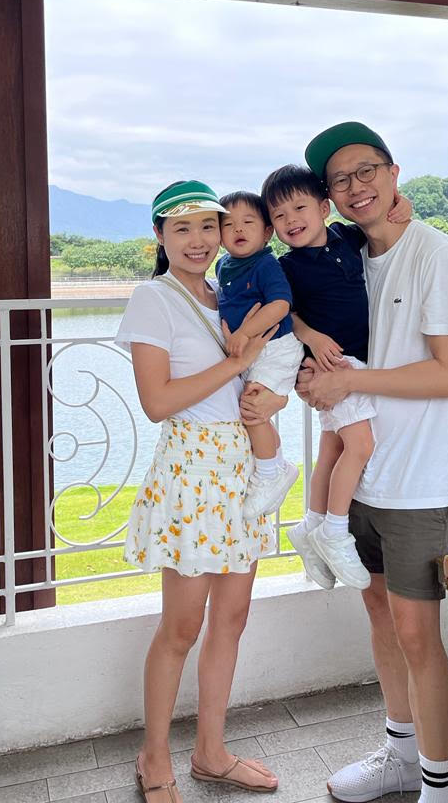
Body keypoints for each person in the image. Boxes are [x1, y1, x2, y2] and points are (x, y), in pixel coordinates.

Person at [295, 122, 448, 803]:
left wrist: (350, 381)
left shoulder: (436, 255)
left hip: (420, 481)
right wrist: (315, 377)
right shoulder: (344, 257)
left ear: (394, 173)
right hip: (362, 475)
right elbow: (327, 351)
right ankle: (401, 754)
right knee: (379, 616)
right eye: (339, 180)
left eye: (366, 170)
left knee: (417, 634)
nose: (356, 186)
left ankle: (438, 787)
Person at [116, 179, 280, 802]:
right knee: (182, 627)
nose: (198, 240)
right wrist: (233, 364)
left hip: (243, 467)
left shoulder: (230, 293)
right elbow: (157, 402)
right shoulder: (153, 298)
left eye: (208, 226)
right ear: (159, 236)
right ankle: (154, 756)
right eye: (181, 228)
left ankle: (211, 752)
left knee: (231, 620)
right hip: (191, 471)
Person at [259, 166, 409, 590]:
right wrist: (311, 335)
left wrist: (404, 203)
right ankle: (334, 531)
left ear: (324, 208)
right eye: (279, 216)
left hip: (354, 364)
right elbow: (282, 311)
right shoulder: (286, 267)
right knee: (360, 445)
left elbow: (383, 216)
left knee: (332, 449)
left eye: (299, 208)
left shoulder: (347, 236)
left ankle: (311, 525)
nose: (291, 220)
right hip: (334, 368)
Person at [216, 191, 303, 519]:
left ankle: (269, 475)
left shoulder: (265, 264)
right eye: (228, 225)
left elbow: (280, 305)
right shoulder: (223, 265)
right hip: (253, 352)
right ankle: (278, 466)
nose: (238, 229)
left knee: (252, 410)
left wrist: (243, 333)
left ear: (267, 232)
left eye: (248, 222)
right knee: (252, 411)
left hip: (275, 348)